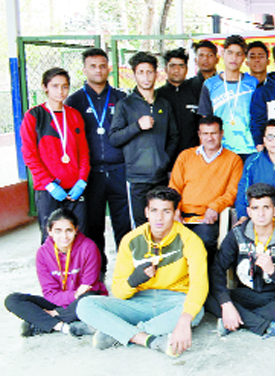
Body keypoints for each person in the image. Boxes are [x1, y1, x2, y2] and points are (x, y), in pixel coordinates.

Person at [76, 187, 208, 358]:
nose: (159, 218)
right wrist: (133, 281)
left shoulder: (190, 241)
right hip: (138, 302)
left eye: (166, 211)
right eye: (154, 210)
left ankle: (118, 332)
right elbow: (118, 291)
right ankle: (150, 340)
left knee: (196, 311)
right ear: (146, 212)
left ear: (175, 213)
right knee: (85, 305)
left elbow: (199, 284)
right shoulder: (131, 240)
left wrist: (184, 320)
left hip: (174, 301)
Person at [206, 183, 275, 339]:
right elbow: (217, 270)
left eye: (266, 208)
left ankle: (235, 321)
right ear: (248, 211)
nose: (261, 214)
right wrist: (227, 305)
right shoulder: (237, 235)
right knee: (208, 293)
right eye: (255, 208)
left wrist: (273, 272)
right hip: (245, 294)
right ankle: (268, 326)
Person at [65, 48, 130, 271]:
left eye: (102, 65)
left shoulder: (122, 98)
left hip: (120, 170)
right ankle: (96, 272)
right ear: (84, 69)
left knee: (124, 225)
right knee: (93, 227)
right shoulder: (74, 101)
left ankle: (126, 272)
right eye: (92, 66)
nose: (98, 70)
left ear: (109, 69)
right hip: (90, 174)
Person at [5, 209, 107, 337]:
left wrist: (54, 312)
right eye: (58, 231)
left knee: (90, 300)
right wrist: (72, 296)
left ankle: (41, 322)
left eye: (68, 230)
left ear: (76, 229)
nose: (64, 236)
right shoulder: (43, 253)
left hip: (84, 300)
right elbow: (49, 293)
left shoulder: (88, 247)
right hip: (61, 300)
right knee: (12, 300)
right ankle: (63, 327)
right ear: (49, 231)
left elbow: (88, 286)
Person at [109, 52, 179, 227]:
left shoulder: (164, 104)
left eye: (149, 72)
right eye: (141, 72)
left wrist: (165, 159)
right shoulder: (125, 105)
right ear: (134, 75)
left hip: (160, 176)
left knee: (162, 223)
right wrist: (137, 126)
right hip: (137, 179)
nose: (146, 77)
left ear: (156, 74)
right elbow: (114, 138)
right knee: (141, 225)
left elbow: (173, 136)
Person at [21, 67, 90, 243]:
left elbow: (83, 151)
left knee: (79, 235)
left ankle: (78, 271)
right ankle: (53, 271)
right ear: (45, 87)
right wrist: (49, 184)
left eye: (65, 86)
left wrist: (82, 180)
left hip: (75, 189)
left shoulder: (74, 115)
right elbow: (29, 155)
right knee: (51, 237)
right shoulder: (33, 116)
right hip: (48, 190)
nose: (60, 91)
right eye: (55, 86)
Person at [169, 115, 243, 264]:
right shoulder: (185, 156)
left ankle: (204, 283)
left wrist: (215, 207)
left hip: (209, 218)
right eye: (205, 134)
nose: (209, 138)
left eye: (214, 133)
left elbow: (233, 192)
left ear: (222, 133)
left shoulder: (233, 160)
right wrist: (175, 210)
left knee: (203, 241)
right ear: (199, 135)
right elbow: (174, 188)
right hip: (182, 217)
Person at [198, 35, 260, 160]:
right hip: (220, 149)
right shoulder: (210, 85)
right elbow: (206, 121)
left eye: (238, 54)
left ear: (244, 57)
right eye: (230, 53)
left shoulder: (253, 83)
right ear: (223, 54)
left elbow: (259, 117)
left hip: (249, 148)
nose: (234, 58)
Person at [156, 47, 202, 156]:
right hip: (165, 158)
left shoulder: (197, 92)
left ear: (187, 69)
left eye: (181, 66)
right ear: (165, 69)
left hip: (193, 156)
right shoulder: (157, 95)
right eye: (172, 66)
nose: (177, 70)